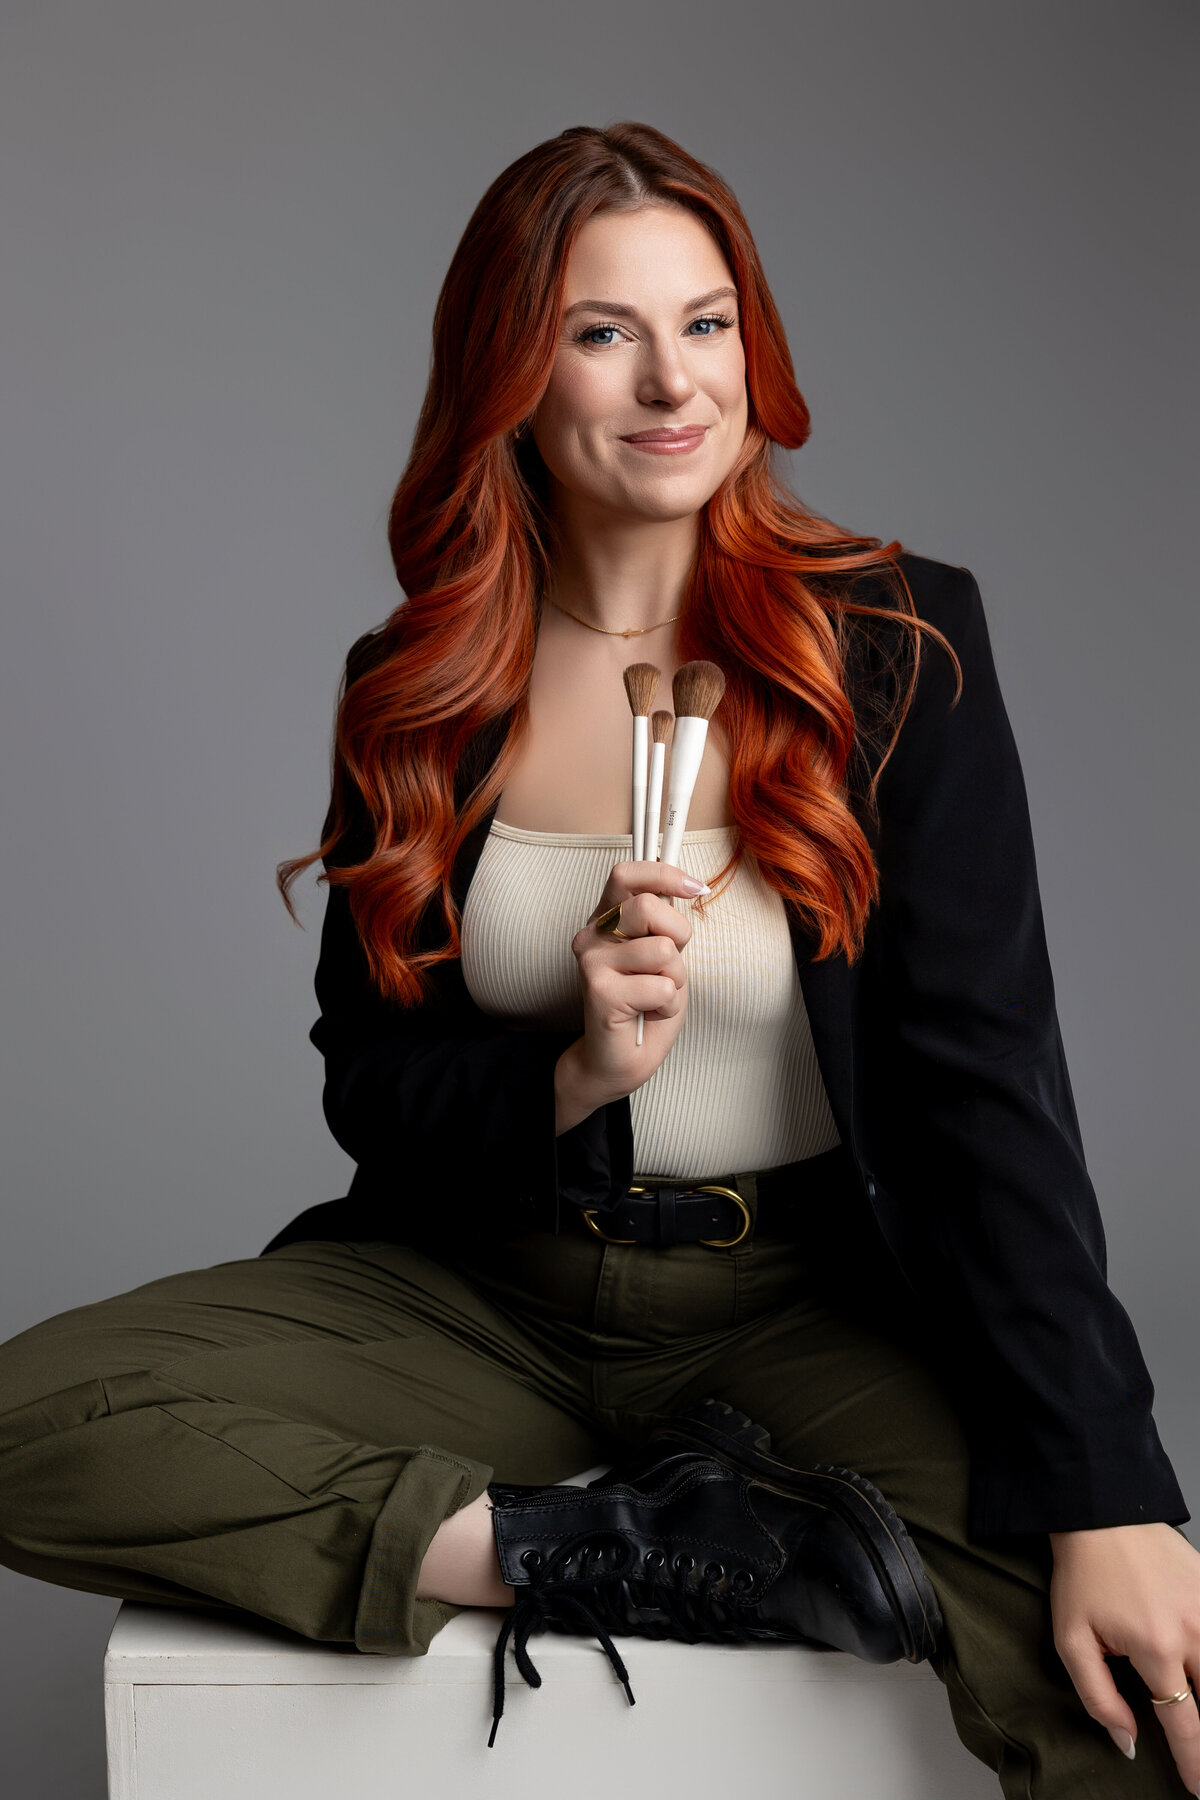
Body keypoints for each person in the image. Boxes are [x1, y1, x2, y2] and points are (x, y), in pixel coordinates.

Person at [0, 121, 1195, 1796]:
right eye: (601, 330)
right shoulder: (418, 681)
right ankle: (574, 1543)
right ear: (511, 369)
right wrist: (565, 1069)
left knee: (1109, 1669)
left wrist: (1113, 1484)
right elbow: (374, 1079)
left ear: (752, 348)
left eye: (705, 323)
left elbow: (993, 1089)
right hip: (482, 1292)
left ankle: (752, 1518)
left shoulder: (898, 643)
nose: (670, 385)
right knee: (22, 1419)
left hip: (797, 1302)